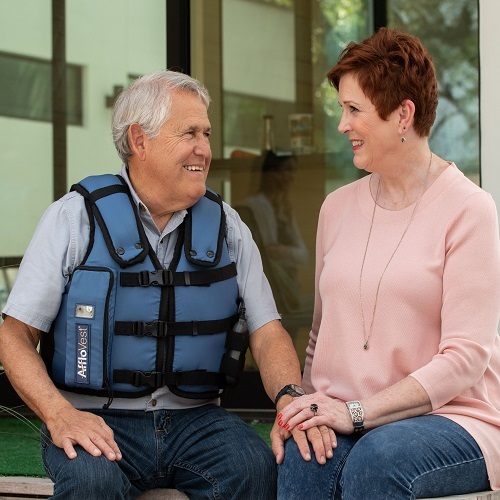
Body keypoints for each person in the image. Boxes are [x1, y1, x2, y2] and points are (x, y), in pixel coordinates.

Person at [0, 70, 331, 499]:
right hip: (96, 416)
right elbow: (15, 335)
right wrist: (60, 415)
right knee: (92, 483)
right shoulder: (73, 218)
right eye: (190, 133)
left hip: (198, 421)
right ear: (140, 140)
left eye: (207, 134)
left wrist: (289, 396)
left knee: (256, 468)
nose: (205, 150)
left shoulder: (228, 226)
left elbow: (267, 331)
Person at [274, 28, 500, 499]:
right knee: (304, 460)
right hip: (347, 415)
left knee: (378, 462)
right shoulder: (335, 208)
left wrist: (358, 413)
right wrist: (310, 410)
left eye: (353, 110)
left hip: (451, 420)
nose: (343, 125)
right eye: (342, 109)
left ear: (403, 114)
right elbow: (319, 334)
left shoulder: (469, 209)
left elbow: (465, 359)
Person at [236, 151, 309, 314]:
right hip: (268, 294)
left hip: (288, 291)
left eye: (293, 171)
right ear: (270, 173)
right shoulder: (254, 207)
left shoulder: (285, 208)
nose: (291, 177)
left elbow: (303, 255)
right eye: (286, 170)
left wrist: (284, 251)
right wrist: (286, 254)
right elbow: (267, 254)